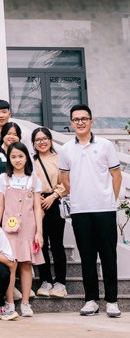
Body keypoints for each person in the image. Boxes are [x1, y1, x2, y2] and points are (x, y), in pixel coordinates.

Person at [59, 104, 122, 318]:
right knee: (87, 257)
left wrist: (109, 199)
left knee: (108, 256)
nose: (80, 122)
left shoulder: (105, 145)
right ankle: (91, 300)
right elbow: (64, 179)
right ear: (71, 123)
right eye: (76, 119)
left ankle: (112, 301)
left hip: (105, 209)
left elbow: (116, 175)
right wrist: (78, 195)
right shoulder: (66, 149)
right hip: (80, 211)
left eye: (84, 119)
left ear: (91, 121)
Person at [0, 142, 44, 318]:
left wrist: (39, 232)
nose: (17, 160)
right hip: (8, 229)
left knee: (26, 265)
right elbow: (0, 205)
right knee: (10, 265)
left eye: (21, 156)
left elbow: (37, 207)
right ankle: (9, 303)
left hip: (28, 228)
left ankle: (25, 303)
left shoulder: (34, 179)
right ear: (9, 159)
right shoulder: (3, 179)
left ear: (27, 158)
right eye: (13, 156)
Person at [32, 127, 68, 298]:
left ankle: (60, 282)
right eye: (38, 140)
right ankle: (45, 280)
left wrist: (54, 196)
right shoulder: (31, 161)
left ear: (50, 140)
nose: (42, 142)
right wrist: (36, 198)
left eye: (45, 138)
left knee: (57, 244)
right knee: (41, 244)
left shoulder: (59, 159)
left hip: (53, 201)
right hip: (36, 203)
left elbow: (66, 182)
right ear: (33, 143)